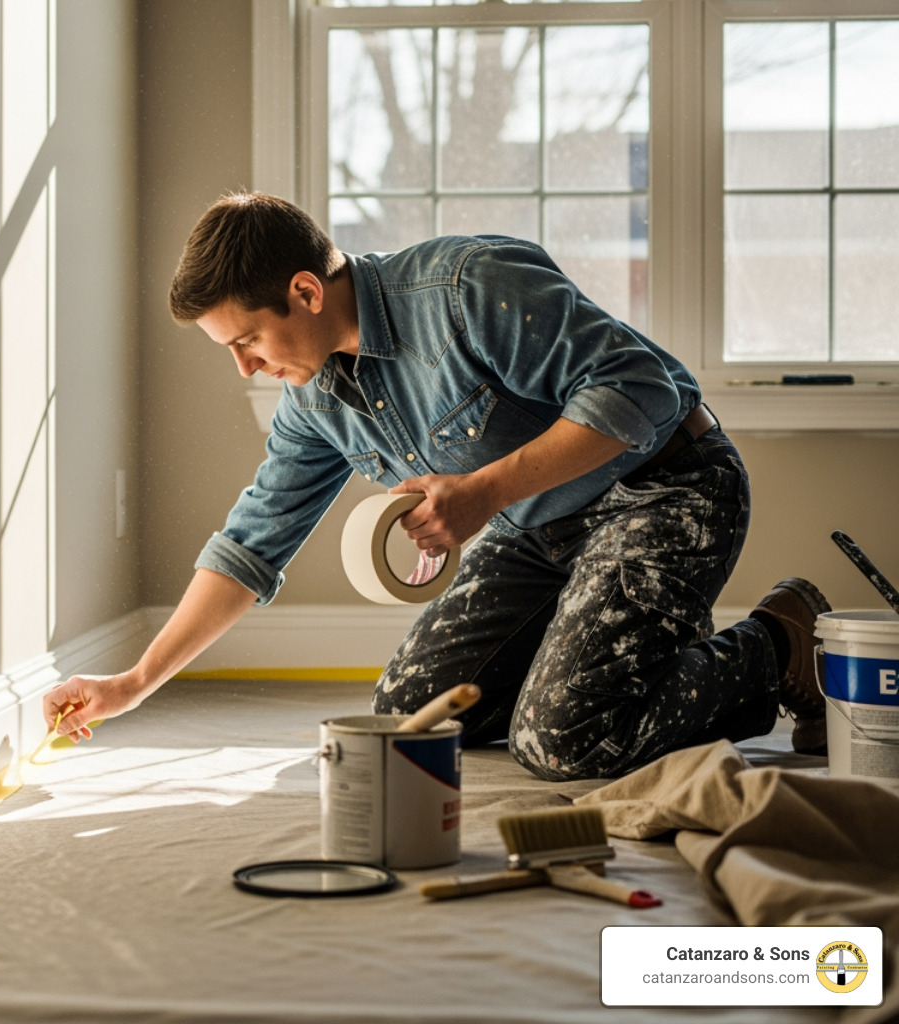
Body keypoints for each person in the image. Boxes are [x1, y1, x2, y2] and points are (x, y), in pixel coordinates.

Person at [43, 191, 828, 780]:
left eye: (247, 340)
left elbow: (646, 392)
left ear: (307, 293)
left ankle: (779, 641)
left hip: (667, 488)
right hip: (539, 530)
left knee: (564, 740)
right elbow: (251, 545)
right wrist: (135, 681)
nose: (245, 367)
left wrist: (483, 492)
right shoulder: (313, 398)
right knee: (409, 717)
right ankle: (610, 655)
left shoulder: (466, 287)